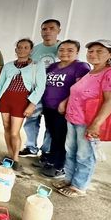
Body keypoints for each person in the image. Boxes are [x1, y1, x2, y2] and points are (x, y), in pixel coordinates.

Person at [57, 40, 111, 197]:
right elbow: (78, 92)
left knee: (84, 155)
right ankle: (69, 179)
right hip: (73, 118)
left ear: (110, 55)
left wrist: (96, 124)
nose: (93, 54)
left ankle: (79, 186)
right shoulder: (91, 72)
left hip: (88, 122)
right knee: (71, 151)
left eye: (99, 51)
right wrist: (65, 102)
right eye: (91, 51)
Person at [0, 39, 46, 172]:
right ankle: (10, 156)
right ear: (16, 49)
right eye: (19, 47)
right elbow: (1, 83)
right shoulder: (8, 66)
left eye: (26, 47)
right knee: (6, 128)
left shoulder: (37, 66)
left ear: (31, 50)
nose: (22, 50)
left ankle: (15, 160)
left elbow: (40, 87)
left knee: (14, 132)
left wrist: (32, 104)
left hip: (22, 101)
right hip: (6, 99)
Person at [39, 40, 90, 179]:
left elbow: (80, 89)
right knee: (53, 134)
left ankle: (59, 166)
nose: (64, 53)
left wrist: (65, 102)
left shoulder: (81, 67)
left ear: (77, 52)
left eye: (70, 50)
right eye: (61, 50)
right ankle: (51, 160)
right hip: (49, 107)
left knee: (61, 137)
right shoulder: (53, 66)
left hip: (64, 109)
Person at [20, 19, 61, 159]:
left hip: (55, 93)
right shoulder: (35, 49)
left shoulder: (63, 49)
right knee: (31, 119)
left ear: (58, 31)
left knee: (51, 124)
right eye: (44, 29)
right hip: (36, 91)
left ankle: (46, 151)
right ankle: (31, 147)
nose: (47, 31)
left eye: (52, 28)